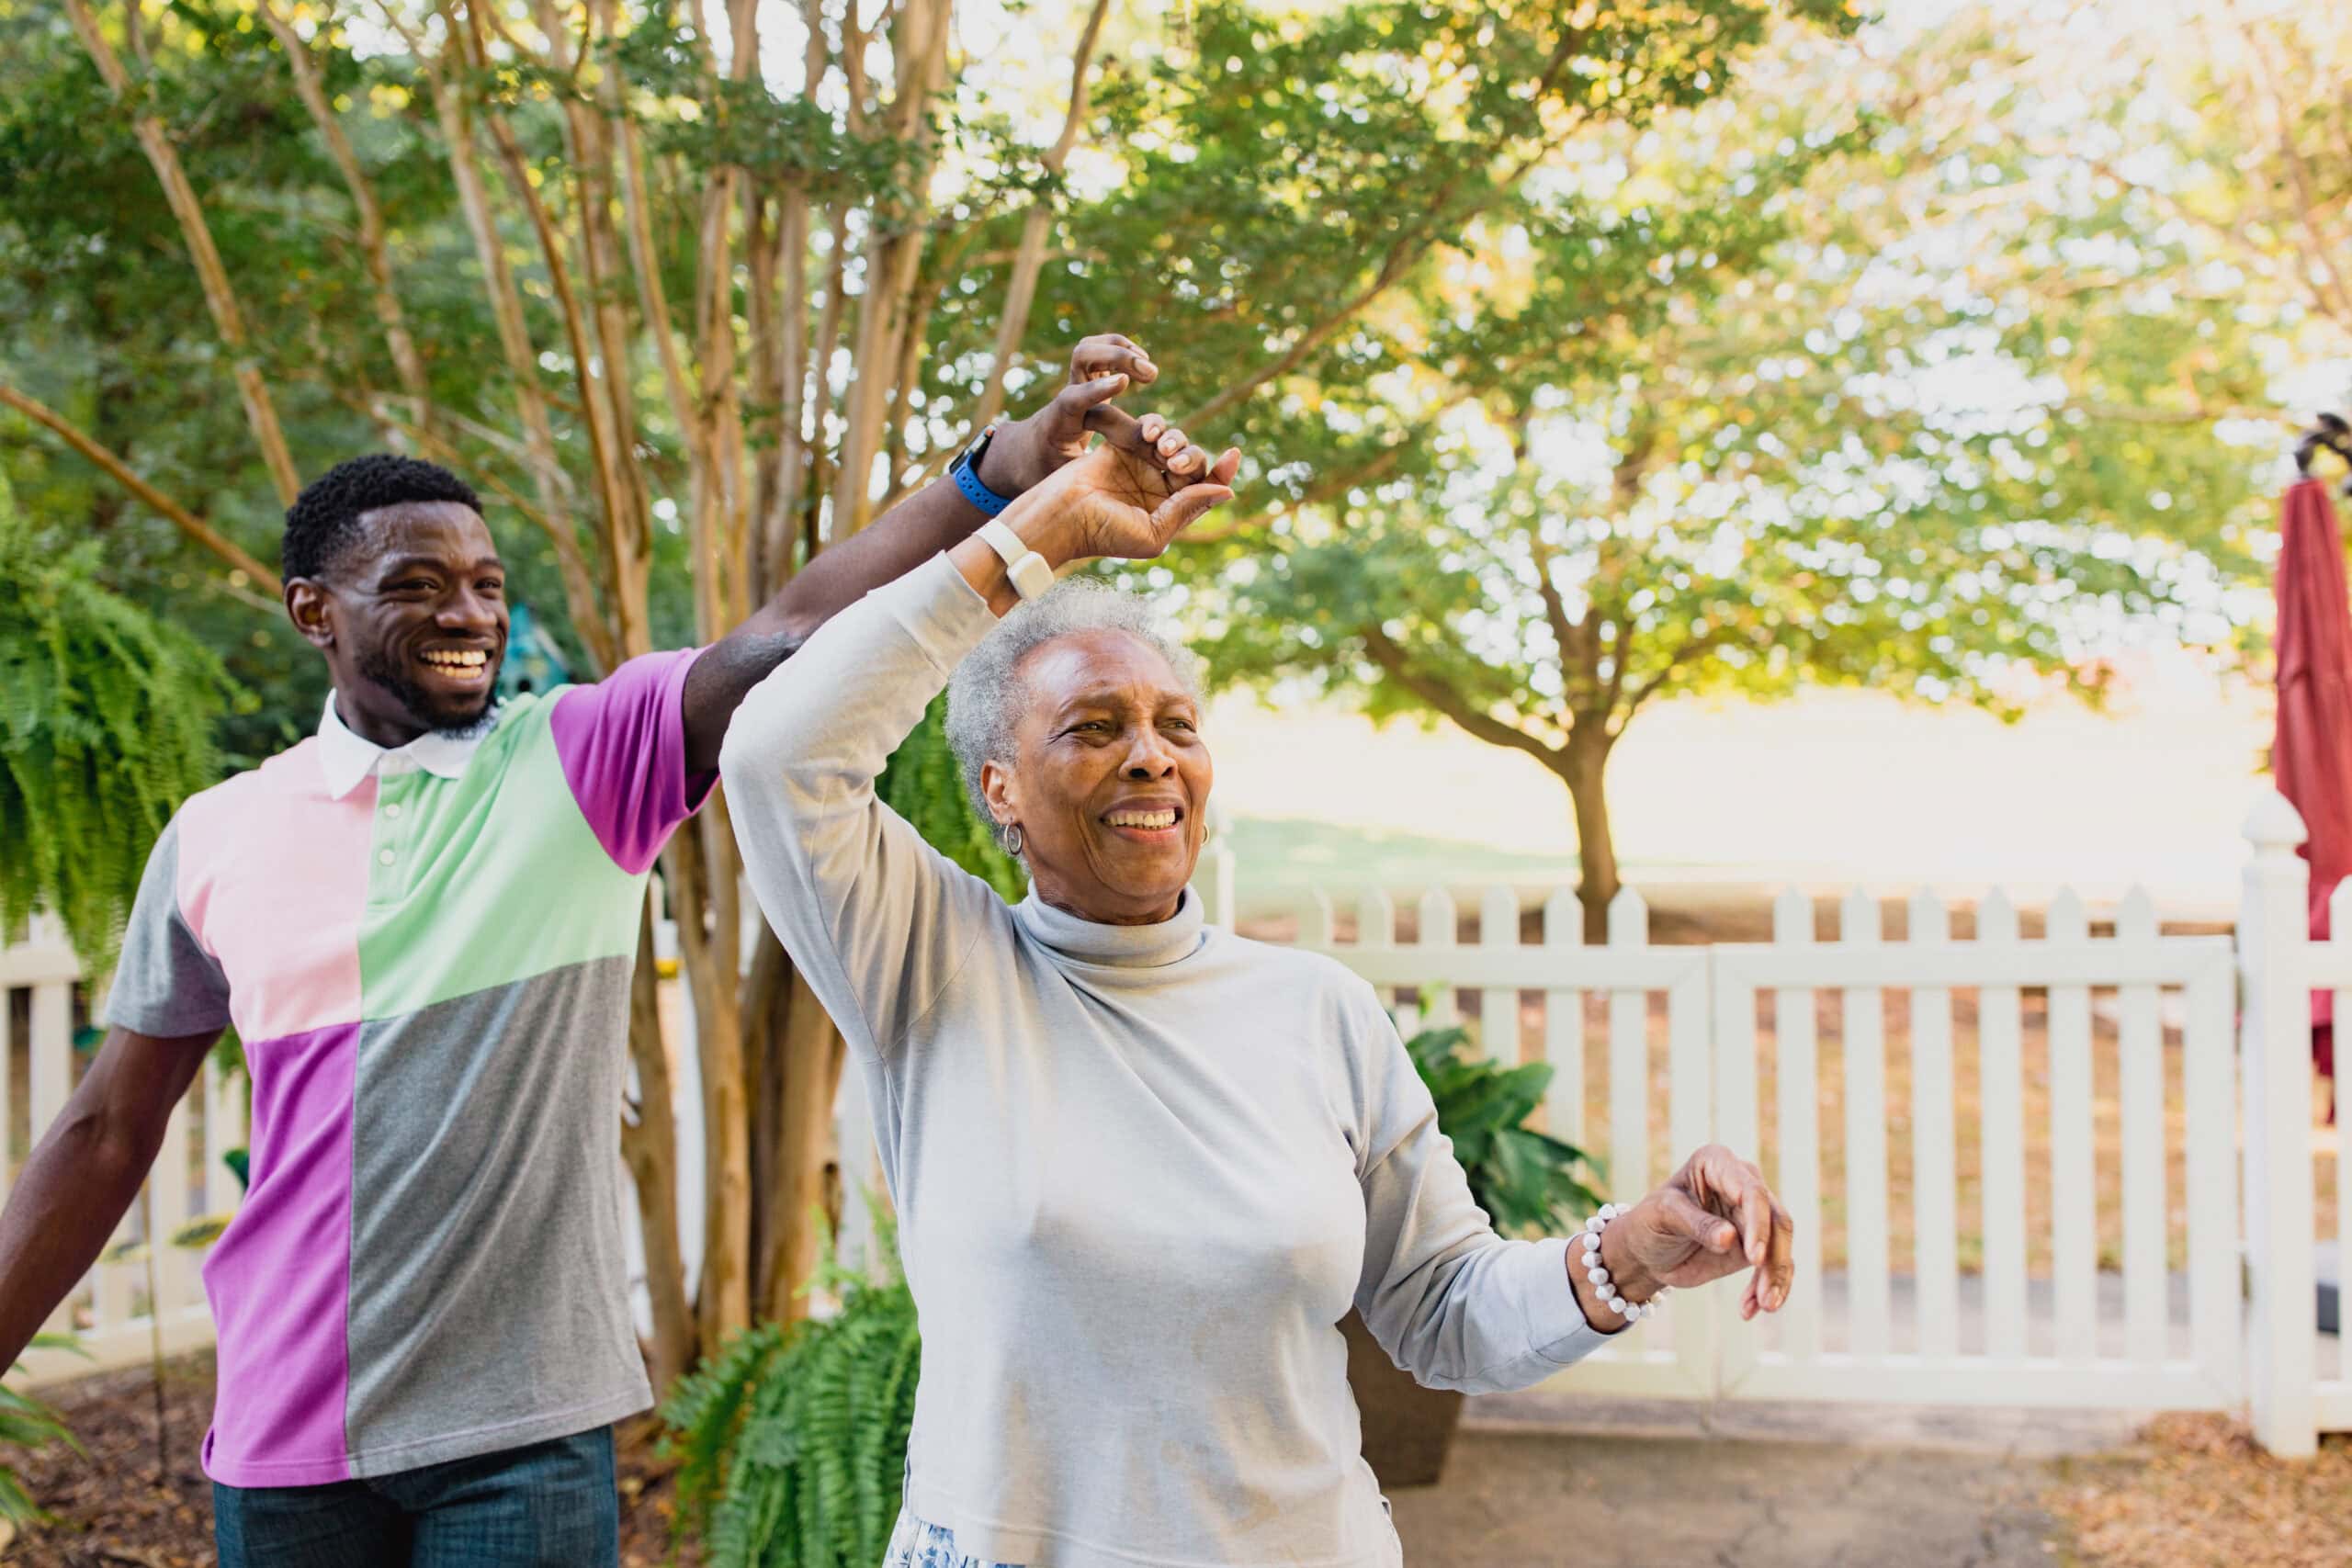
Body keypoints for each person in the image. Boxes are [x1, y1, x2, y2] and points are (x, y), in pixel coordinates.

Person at [0, 333, 1180, 1568]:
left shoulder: (576, 757)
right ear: (313, 610)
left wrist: (1006, 476)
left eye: (487, 583)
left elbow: (793, 629)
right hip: (288, 1442)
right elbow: (105, 1132)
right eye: (417, 584)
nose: (469, 613)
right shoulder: (214, 834)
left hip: (524, 1436)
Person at [718, 408, 1799, 1567]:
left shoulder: (1316, 1010)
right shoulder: (931, 964)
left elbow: (1443, 1312)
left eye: (1174, 726)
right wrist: (1038, 535)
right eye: (1092, 727)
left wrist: (1633, 1250)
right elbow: (777, 755)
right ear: (1000, 790)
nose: (1149, 755)